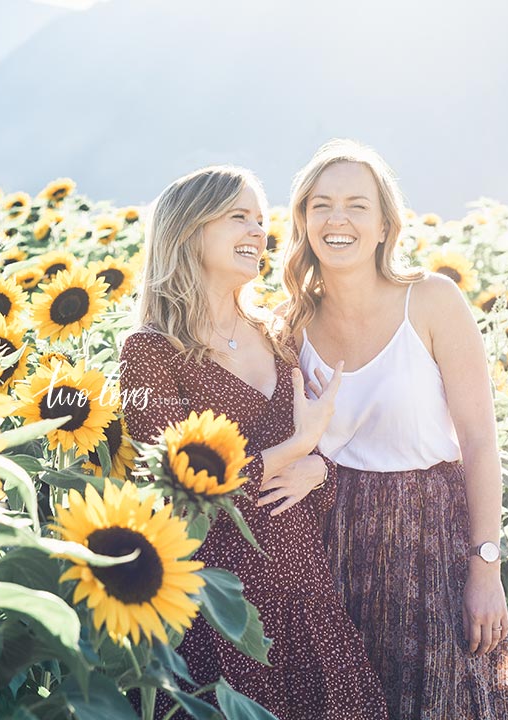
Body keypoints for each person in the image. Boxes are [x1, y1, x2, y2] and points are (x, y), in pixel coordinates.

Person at [119, 165, 388, 719]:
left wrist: (318, 468)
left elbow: (316, 458)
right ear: (190, 229)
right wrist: (296, 449)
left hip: (305, 588)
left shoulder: (276, 332)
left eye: (261, 220)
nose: (257, 232)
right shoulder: (149, 351)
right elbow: (170, 484)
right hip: (221, 606)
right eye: (238, 217)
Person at [280, 139, 508, 719]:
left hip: (432, 534)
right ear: (304, 221)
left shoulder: (432, 301)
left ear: (385, 224)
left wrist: (486, 568)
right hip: (329, 535)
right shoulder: (292, 322)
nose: (338, 219)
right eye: (322, 205)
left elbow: (481, 443)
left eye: (357, 205)